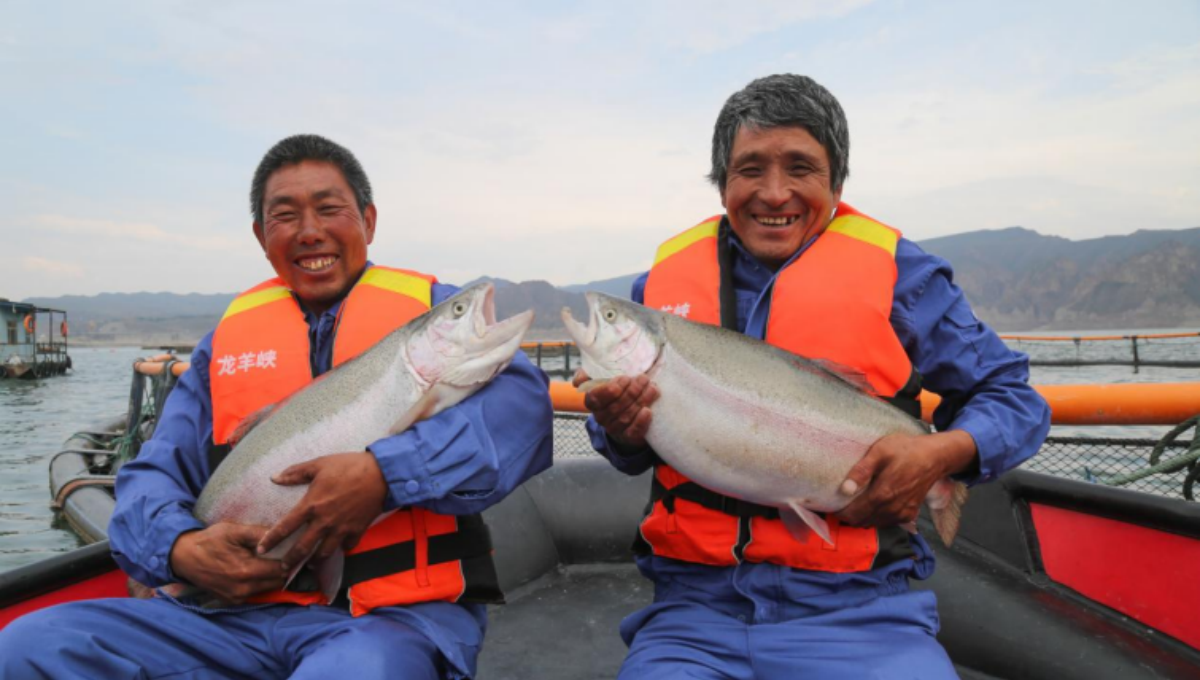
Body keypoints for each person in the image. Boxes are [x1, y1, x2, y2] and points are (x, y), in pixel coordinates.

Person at [0, 134, 554, 679]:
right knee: (28, 644)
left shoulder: (428, 315)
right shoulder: (223, 348)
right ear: (262, 237)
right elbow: (152, 474)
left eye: (329, 209)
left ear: (368, 219)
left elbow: (522, 410)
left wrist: (384, 475)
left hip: (386, 620)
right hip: (224, 617)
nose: (310, 232)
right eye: (285, 216)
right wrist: (180, 549)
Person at [580, 74, 1051, 678]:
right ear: (722, 181)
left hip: (863, 613)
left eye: (800, 168)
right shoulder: (658, 290)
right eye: (750, 169)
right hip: (691, 616)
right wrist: (621, 431)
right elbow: (625, 451)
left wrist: (945, 456)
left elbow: (1013, 398)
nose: (774, 194)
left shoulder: (901, 273)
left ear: (836, 181)